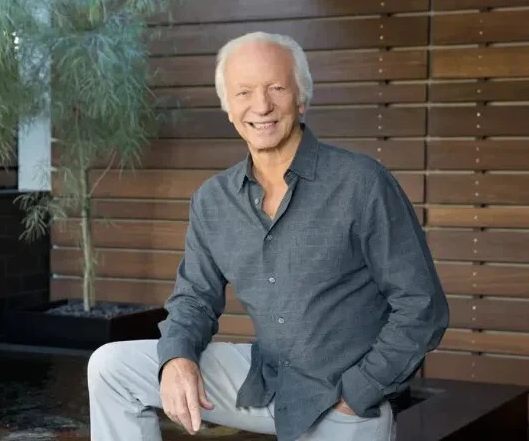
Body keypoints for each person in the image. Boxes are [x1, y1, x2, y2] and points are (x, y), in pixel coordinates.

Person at [87, 31, 450, 441]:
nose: (261, 106)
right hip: (265, 378)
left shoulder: (362, 183)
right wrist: (176, 358)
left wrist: (361, 391)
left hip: (341, 397)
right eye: (243, 92)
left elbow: (423, 307)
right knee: (111, 367)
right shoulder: (213, 200)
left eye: (276, 88)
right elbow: (194, 300)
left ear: (302, 98)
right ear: (228, 107)